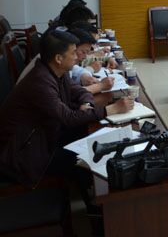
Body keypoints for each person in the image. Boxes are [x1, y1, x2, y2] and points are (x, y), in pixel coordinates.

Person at [0, 30, 132, 215]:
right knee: (85, 156)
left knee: (92, 137)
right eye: (73, 53)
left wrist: (87, 104)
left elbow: (79, 91)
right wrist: (110, 110)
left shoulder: (56, 72)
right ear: (58, 58)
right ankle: (97, 208)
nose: (77, 57)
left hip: (43, 135)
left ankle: (96, 198)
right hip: (26, 153)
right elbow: (68, 118)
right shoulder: (40, 81)